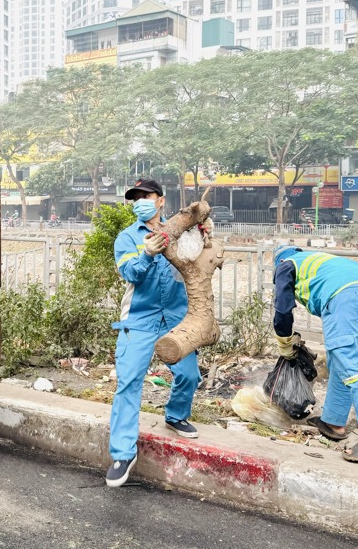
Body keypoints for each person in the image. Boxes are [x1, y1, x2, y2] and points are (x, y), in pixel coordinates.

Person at [105, 178, 201, 487]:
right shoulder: (127, 238)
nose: (140, 201)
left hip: (175, 317)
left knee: (189, 374)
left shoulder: (180, 232)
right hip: (140, 319)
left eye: (146, 196)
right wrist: (146, 253)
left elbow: (198, 262)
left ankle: (175, 415)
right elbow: (129, 273)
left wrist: (203, 235)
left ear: (161, 200)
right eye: (135, 198)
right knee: (129, 383)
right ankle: (122, 453)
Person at [272, 245, 358, 462]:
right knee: (340, 360)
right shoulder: (317, 259)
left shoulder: (285, 265)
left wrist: (284, 339)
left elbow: (283, 309)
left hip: (342, 296)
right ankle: (333, 422)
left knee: (349, 363)